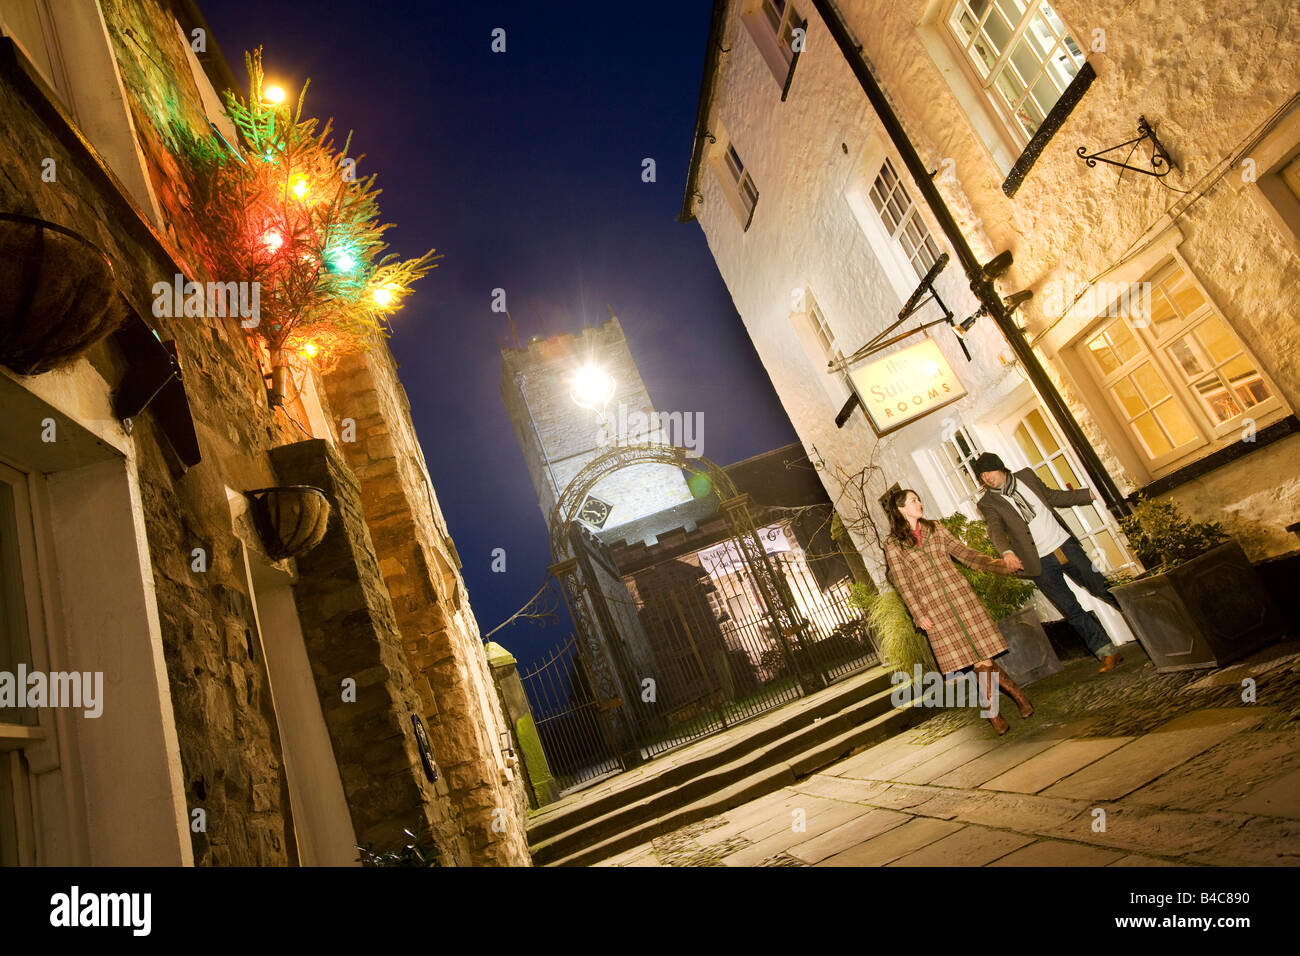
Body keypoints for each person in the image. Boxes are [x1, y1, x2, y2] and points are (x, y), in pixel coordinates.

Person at [882, 488, 1033, 736]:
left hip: (962, 600)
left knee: (982, 659)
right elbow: (903, 583)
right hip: (935, 610)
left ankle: (996, 712)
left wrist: (1001, 566)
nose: (920, 503)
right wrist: (919, 614)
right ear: (901, 509)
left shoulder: (936, 529)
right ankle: (1016, 700)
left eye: (918, 499)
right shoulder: (894, 545)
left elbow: (967, 555)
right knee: (980, 660)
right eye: (913, 501)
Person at [972, 452, 1125, 672]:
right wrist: (1006, 552)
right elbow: (995, 529)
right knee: (1071, 609)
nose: (986, 478)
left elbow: (1052, 497)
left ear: (1001, 468)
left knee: (1102, 587)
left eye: (989, 472)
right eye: (982, 476)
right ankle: (1107, 652)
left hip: (1064, 547)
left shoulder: (1026, 476)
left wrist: (1089, 494)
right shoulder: (987, 502)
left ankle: (1145, 623)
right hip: (1039, 563)